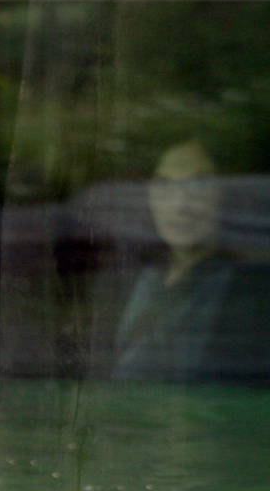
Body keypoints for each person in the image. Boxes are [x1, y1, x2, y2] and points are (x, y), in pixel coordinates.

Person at [112, 139, 270, 383]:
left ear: (224, 194)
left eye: (198, 185)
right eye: (164, 185)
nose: (180, 205)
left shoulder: (254, 290)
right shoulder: (126, 278)